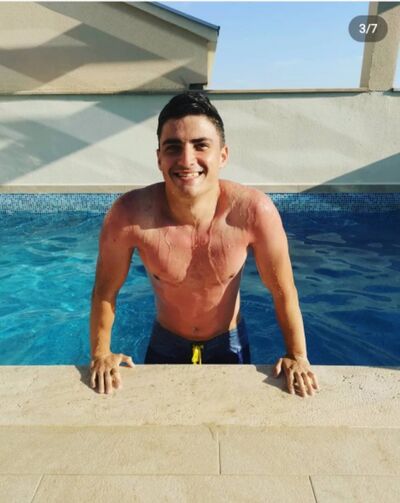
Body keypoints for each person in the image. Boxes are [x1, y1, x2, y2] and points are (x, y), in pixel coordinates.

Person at [89, 92, 319, 398]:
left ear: (222, 155)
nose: (186, 160)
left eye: (200, 145)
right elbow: (105, 290)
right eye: (173, 147)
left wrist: (297, 355)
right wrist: (101, 353)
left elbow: (283, 290)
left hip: (229, 341)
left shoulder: (253, 212)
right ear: (159, 158)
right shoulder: (129, 215)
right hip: (166, 341)